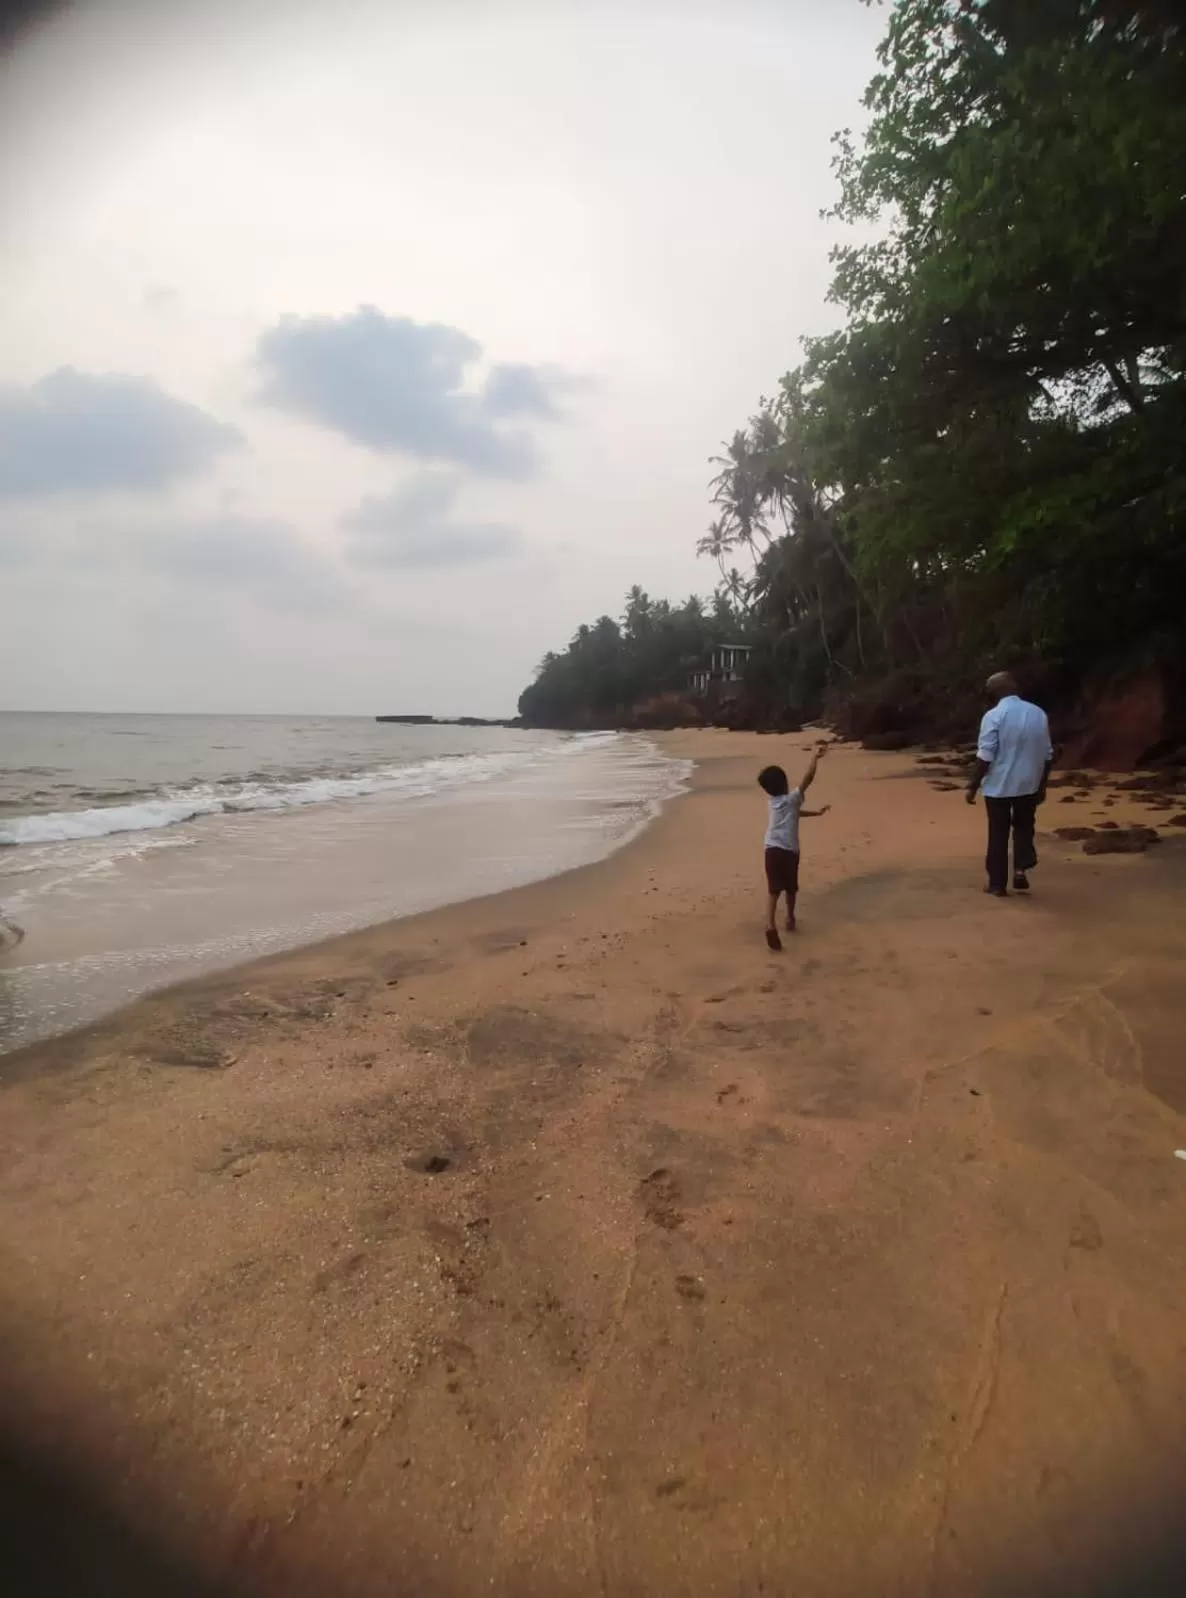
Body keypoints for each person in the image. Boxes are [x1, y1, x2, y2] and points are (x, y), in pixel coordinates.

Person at [965, 671, 1054, 896]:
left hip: (998, 786)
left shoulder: (993, 716)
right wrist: (1042, 786)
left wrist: (973, 786)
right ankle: (1021, 870)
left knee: (998, 833)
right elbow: (1047, 755)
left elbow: (985, 756)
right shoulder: (1038, 713)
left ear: (994, 693)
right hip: (1029, 784)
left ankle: (997, 885)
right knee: (1024, 827)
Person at [757, 743, 830, 950]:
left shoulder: (773, 803)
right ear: (784, 783)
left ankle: (770, 924)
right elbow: (808, 779)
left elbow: (794, 813)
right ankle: (789, 919)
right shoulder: (791, 799)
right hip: (788, 851)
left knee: (773, 890)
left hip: (770, 849)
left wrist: (816, 813)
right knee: (790, 888)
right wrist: (815, 758)